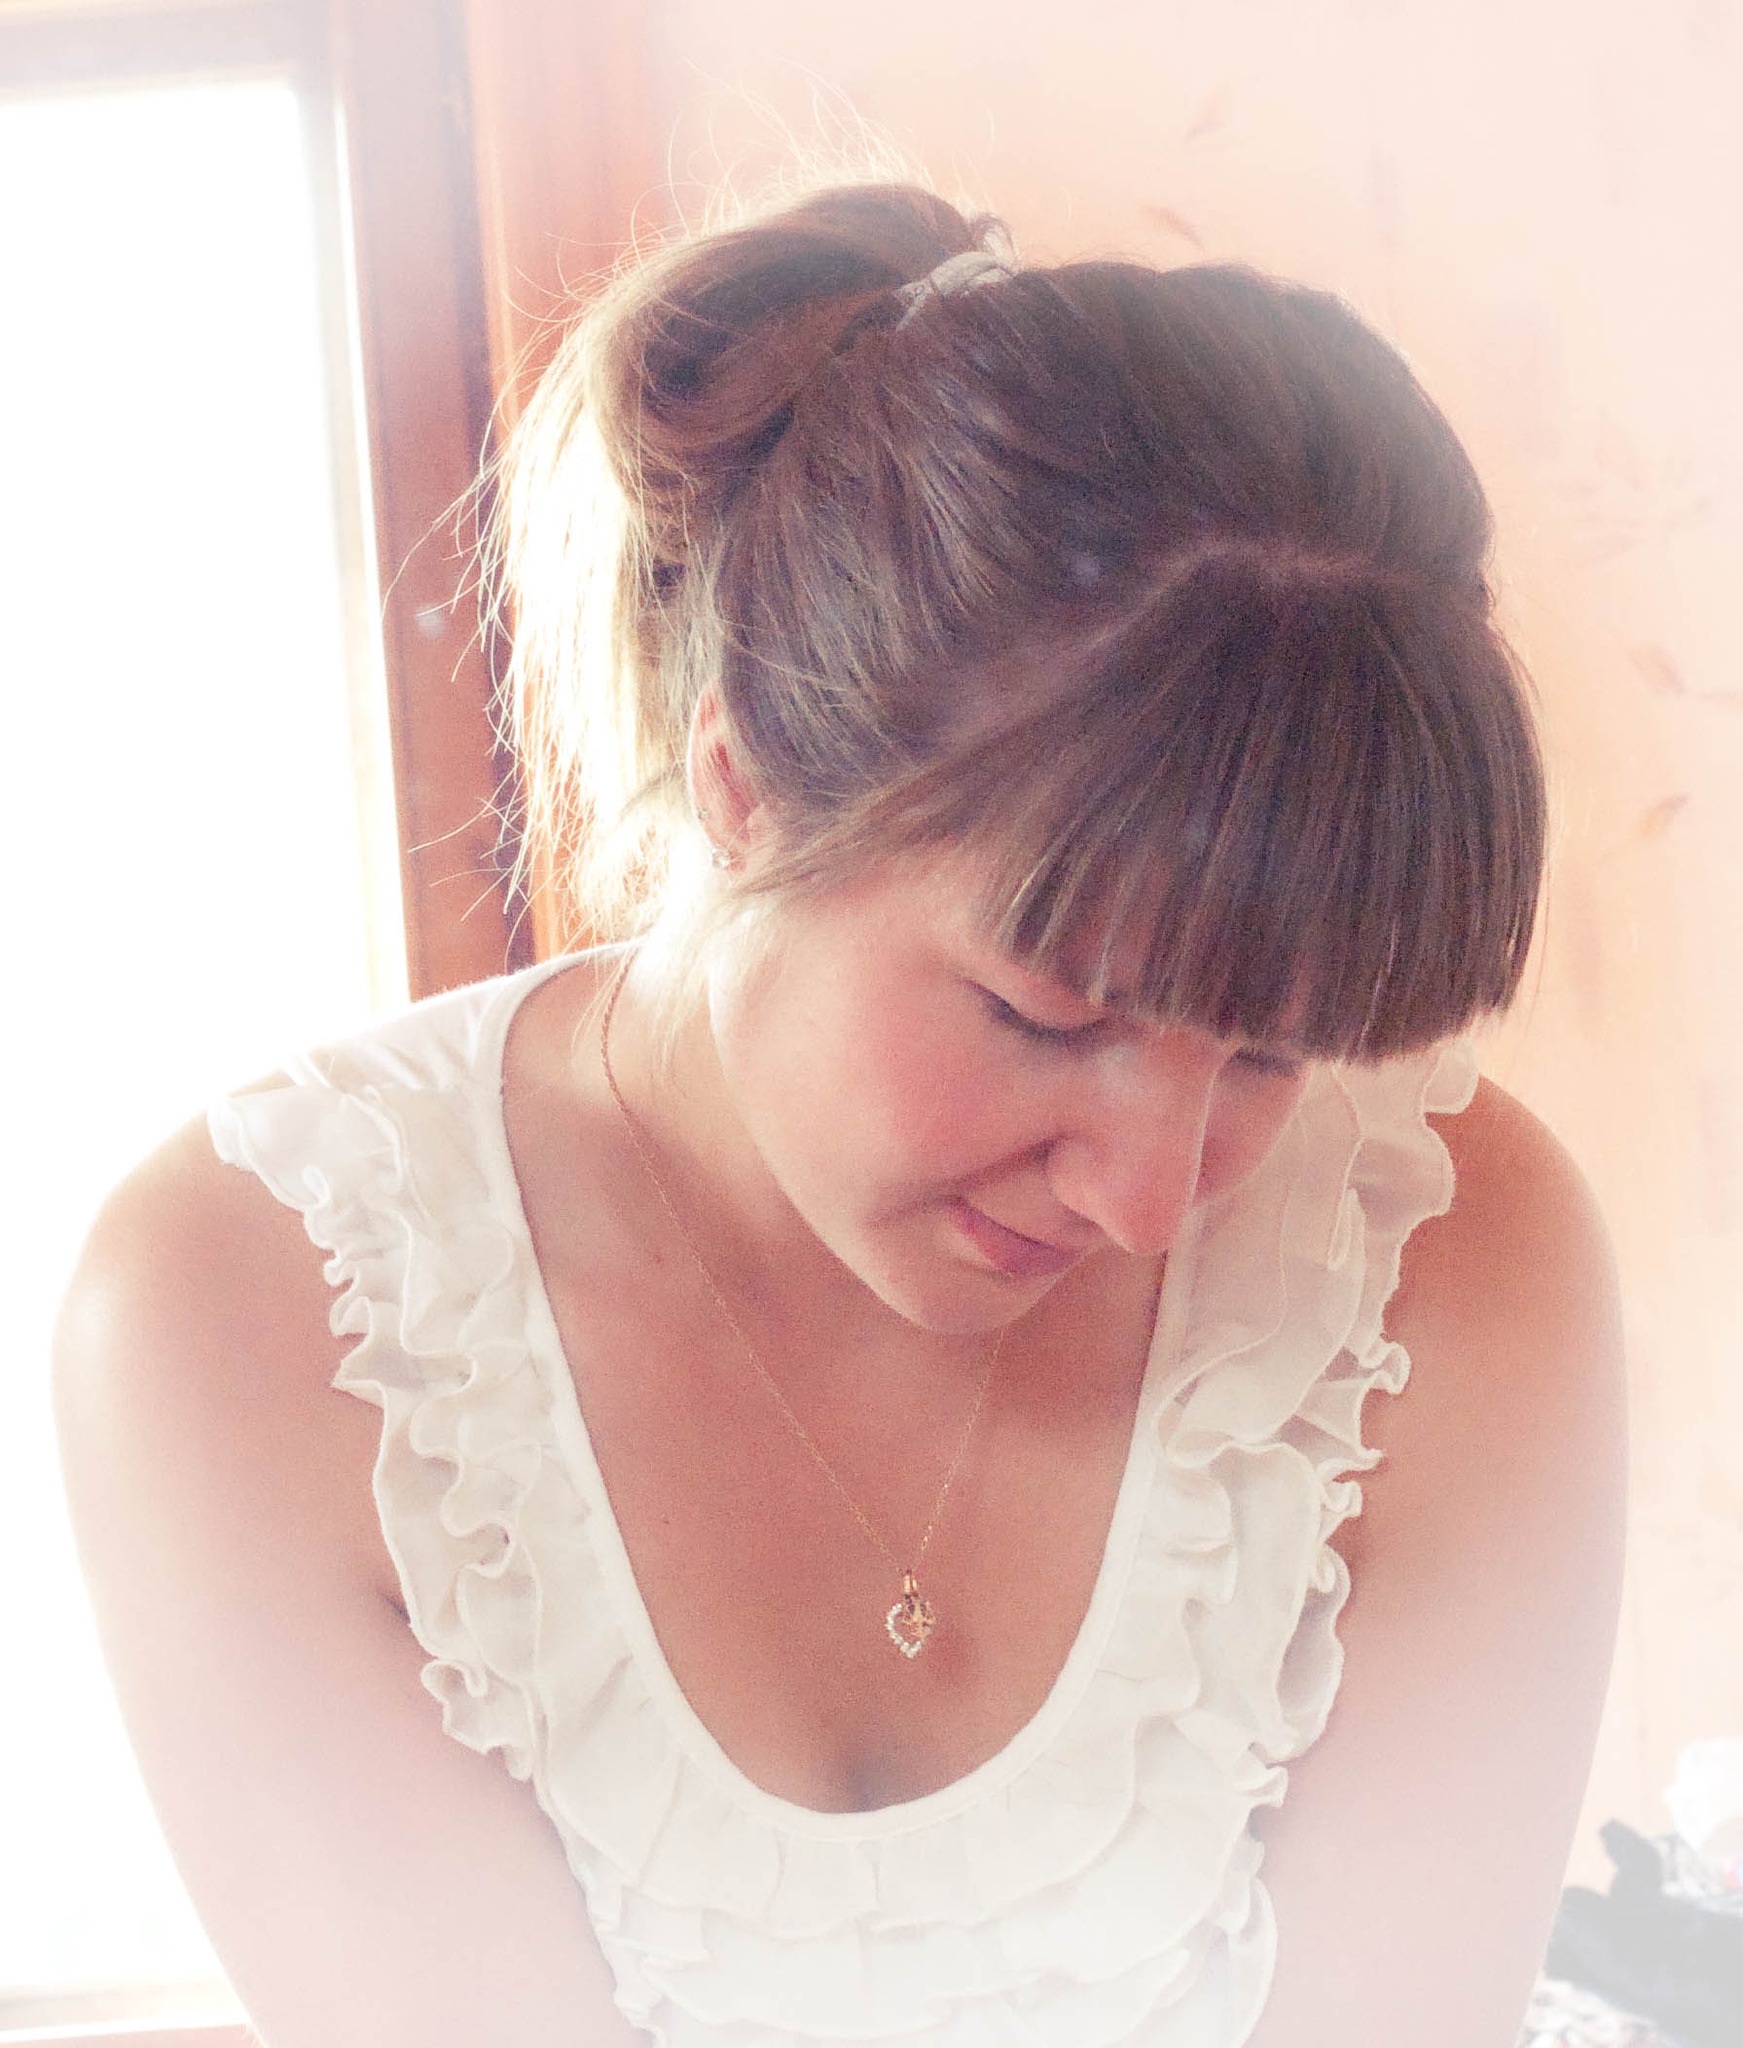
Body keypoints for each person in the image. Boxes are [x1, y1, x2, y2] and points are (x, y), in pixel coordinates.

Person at [55, 182, 1626, 2047]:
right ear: (741, 790)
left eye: (1273, 1056)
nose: (1151, 1202)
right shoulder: (256, 1314)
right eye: (1047, 1018)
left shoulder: (1444, 1252)